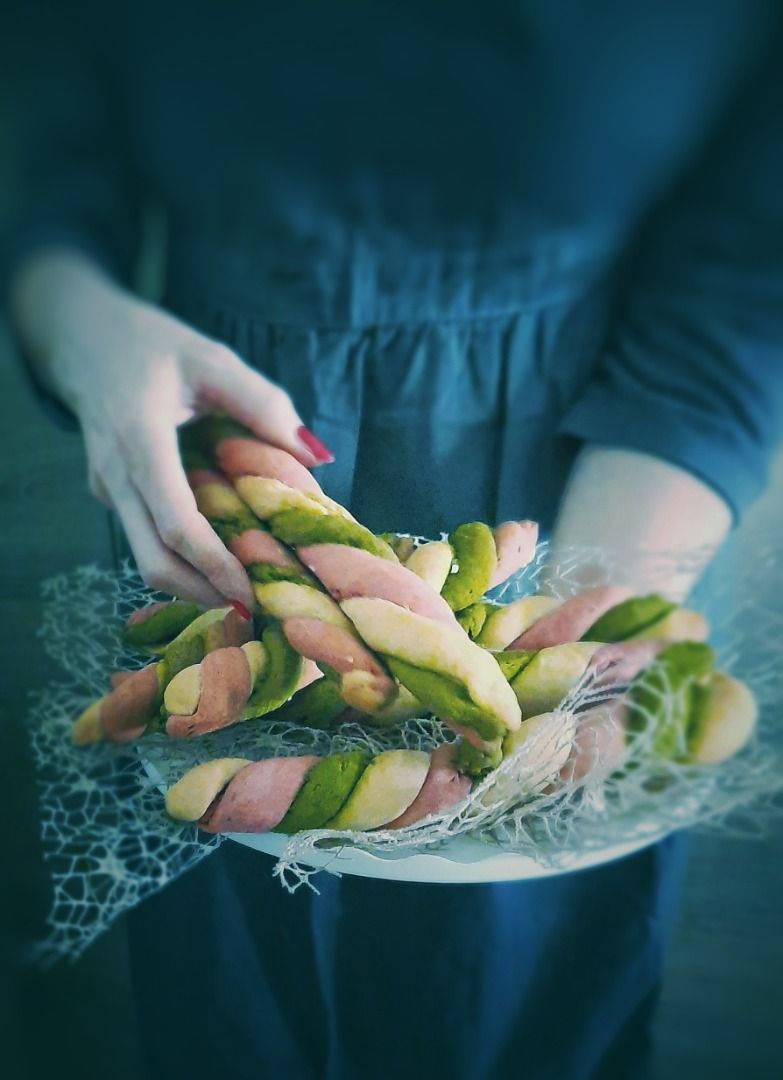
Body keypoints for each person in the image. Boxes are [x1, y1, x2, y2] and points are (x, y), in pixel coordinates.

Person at [5, 3, 783, 1077]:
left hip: (590, 477)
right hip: (202, 486)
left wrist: (589, 606)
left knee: (508, 988)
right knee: (233, 981)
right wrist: (87, 333)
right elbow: (46, 177)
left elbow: (747, 260)